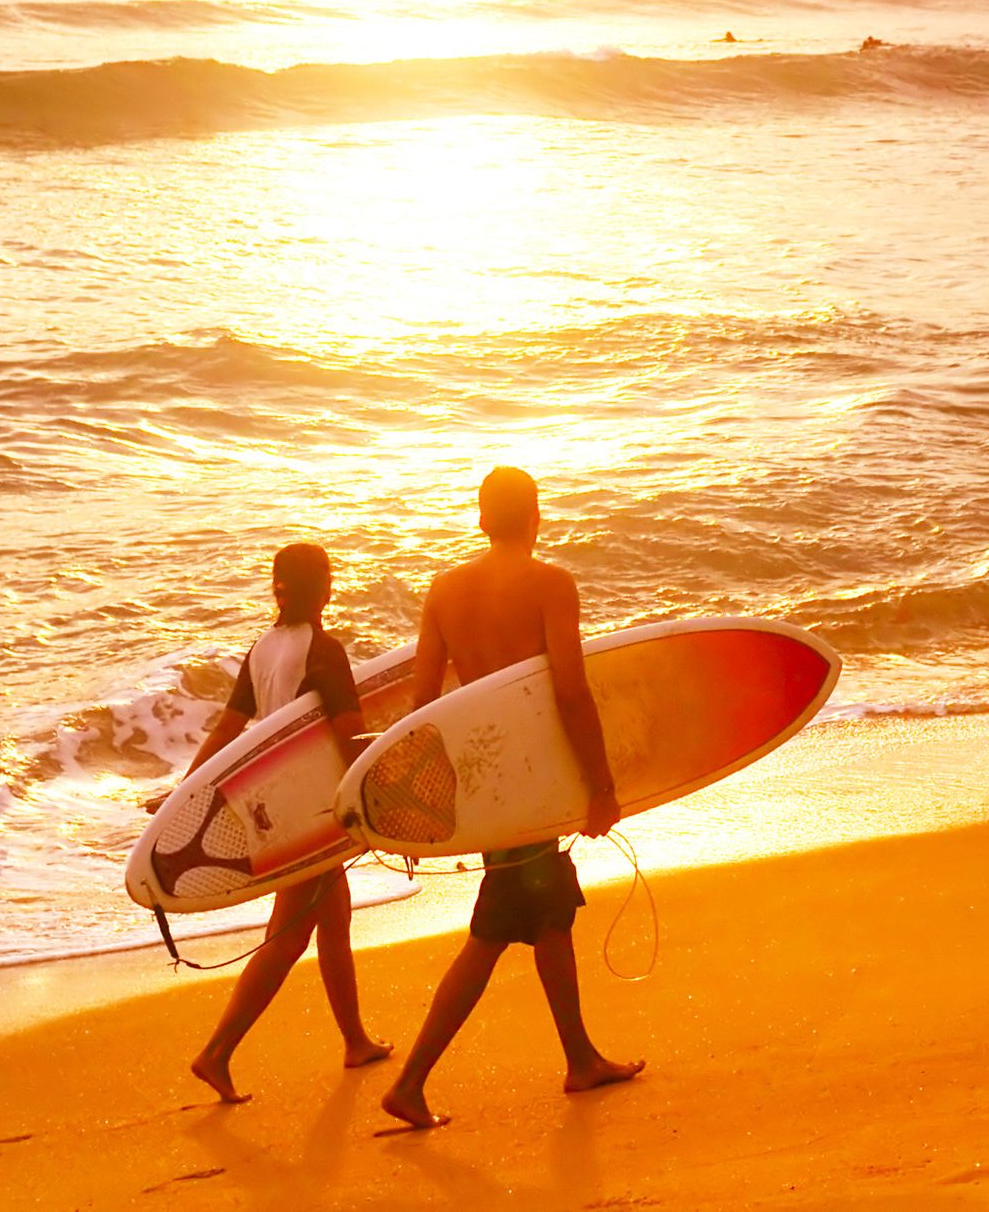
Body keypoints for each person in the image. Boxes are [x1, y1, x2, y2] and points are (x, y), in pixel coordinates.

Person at [380, 468, 642, 1130]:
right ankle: (410, 1082)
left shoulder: (444, 590)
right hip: (532, 777)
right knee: (495, 929)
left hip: (482, 777)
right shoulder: (550, 584)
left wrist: (419, 802)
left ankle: (581, 1059)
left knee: (549, 914)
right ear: (536, 518)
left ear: (480, 518)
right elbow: (571, 690)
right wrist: (600, 785)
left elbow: (421, 703)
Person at [172, 543, 389, 1102]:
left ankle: (356, 1040)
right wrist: (378, 787)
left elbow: (228, 729)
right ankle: (216, 1053)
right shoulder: (325, 649)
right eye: (329, 578)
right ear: (323, 587)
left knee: (333, 917)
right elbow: (347, 731)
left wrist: (184, 791)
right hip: (312, 807)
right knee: (289, 935)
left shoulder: (261, 650)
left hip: (273, 804)